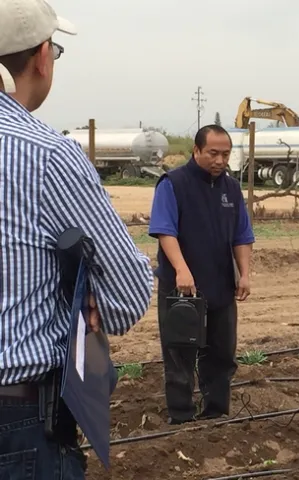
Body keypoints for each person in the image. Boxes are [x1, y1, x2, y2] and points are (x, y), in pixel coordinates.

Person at [0, 1, 155, 477]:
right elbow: (127, 296)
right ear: (43, 57)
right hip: (18, 420)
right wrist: (80, 298)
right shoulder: (47, 154)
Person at [149, 124, 255, 425]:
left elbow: (242, 235)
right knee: (180, 354)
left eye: (225, 154)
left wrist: (244, 273)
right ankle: (181, 417)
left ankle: (215, 414)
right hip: (181, 287)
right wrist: (182, 270)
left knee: (222, 354)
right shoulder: (173, 183)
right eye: (213, 153)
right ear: (196, 151)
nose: (220, 161)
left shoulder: (231, 188)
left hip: (220, 283)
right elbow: (165, 230)